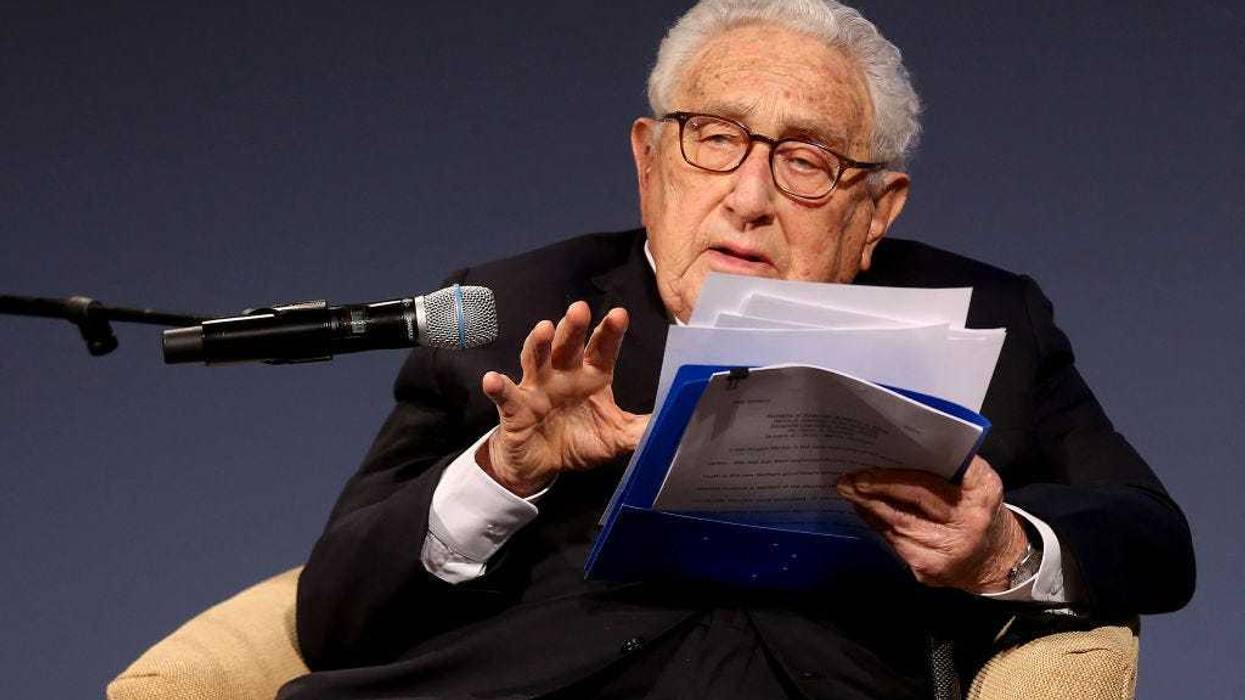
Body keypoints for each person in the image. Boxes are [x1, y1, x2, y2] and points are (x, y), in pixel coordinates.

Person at [279, 1, 1195, 698]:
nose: (748, 196)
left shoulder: (990, 321)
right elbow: (330, 619)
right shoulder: (510, 309)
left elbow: (1153, 541)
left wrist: (996, 548)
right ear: (650, 163)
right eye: (714, 139)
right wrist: (503, 473)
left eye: (804, 161)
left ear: (874, 210)